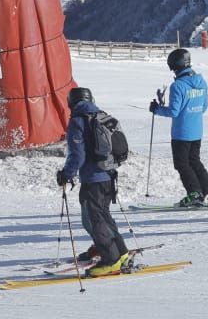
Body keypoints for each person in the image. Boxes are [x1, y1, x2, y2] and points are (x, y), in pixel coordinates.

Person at [58, 86, 130, 277]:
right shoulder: (101, 116)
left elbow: (77, 154)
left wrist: (67, 174)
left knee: (93, 219)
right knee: (104, 216)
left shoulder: (79, 121)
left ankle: (111, 260)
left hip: (93, 178)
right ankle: (121, 253)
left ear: (71, 103)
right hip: (108, 176)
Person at [149, 48, 208, 207]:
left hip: (182, 133)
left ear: (174, 65)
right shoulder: (202, 82)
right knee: (195, 162)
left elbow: (174, 111)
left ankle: (194, 194)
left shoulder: (178, 86)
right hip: (197, 130)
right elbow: (204, 107)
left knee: (182, 164)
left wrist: (157, 109)